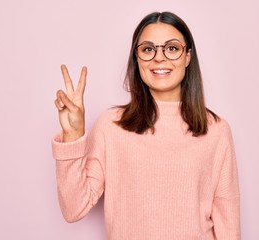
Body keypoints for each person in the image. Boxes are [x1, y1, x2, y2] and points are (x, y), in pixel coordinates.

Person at [52, 11, 240, 240]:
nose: (159, 58)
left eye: (171, 48)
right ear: (137, 58)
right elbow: (73, 208)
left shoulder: (216, 131)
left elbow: (227, 223)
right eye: (148, 49)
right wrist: (73, 135)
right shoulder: (111, 127)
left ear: (187, 57)